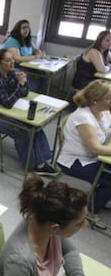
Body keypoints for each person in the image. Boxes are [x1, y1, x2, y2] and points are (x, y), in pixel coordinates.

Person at [0, 48, 56, 174]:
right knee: (22, 131)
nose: (12, 63)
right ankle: (32, 165)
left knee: (34, 125)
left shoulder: (11, 73)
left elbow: (24, 94)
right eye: (8, 60)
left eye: (12, 59)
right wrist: (19, 85)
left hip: (2, 111)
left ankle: (43, 158)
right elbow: (7, 103)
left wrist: (24, 83)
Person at [0, 174, 87, 276]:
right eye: (79, 223)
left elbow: (69, 251)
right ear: (55, 228)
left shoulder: (44, 223)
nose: (85, 224)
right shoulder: (20, 262)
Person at [57, 79, 111, 217]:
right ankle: (89, 210)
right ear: (95, 99)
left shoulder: (103, 111)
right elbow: (96, 149)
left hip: (92, 157)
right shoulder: (84, 117)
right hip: (75, 161)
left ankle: (100, 195)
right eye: (108, 98)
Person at [3, 19, 45, 92]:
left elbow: (35, 50)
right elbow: (17, 59)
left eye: (28, 27)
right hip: (15, 66)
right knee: (31, 78)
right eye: (23, 28)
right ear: (18, 29)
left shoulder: (27, 39)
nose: (26, 30)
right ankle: (30, 95)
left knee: (44, 74)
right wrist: (36, 57)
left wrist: (38, 52)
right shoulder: (12, 40)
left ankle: (39, 95)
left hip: (27, 65)